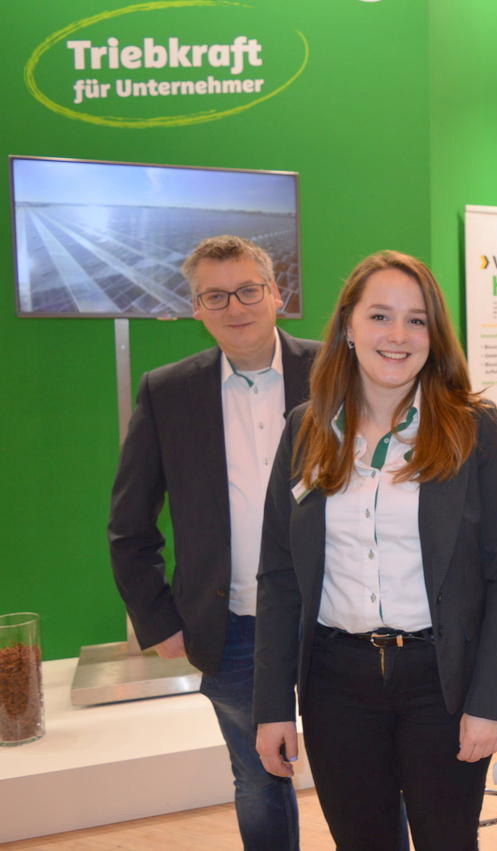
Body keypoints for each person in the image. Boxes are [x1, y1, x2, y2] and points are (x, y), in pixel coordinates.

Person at [253, 250, 497, 850]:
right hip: (335, 683)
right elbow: (278, 578)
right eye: (380, 316)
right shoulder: (306, 429)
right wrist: (272, 705)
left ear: (435, 335)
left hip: (440, 682)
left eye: (416, 320)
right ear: (348, 327)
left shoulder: (474, 430)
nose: (398, 335)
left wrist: (489, 703)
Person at [109, 235, 318, 850]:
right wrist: (159, 619)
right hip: (233, 629)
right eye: (215, 296)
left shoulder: (337, 371)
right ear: (196, 308)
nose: (236, 307)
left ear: (276, 294)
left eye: (248, 290)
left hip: (339, 617)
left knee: (364, 772)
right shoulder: (167, 392)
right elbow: (129, 524)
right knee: (258, 779)